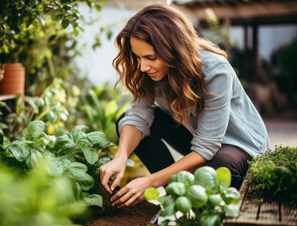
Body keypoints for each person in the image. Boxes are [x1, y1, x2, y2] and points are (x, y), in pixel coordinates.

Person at [99, 3, 269, 208]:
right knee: (127, 122)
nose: (143, 66)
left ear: (173, 49)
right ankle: (179, 195)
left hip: (238, 146)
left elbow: (207, 146)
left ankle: (193, 198)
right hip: (200, 139)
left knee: (218, 169)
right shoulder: (152, 71)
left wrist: (150, 181)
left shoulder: (215, 70)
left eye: (150, 57)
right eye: (138, 57)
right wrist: (121, 157)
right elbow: (138, 115)